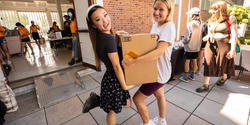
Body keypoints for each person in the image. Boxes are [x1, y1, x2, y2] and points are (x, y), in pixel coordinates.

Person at [123, 0, 176, 125]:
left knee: (137, 99)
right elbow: (148, 45)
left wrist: (134, 61)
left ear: (169, 11)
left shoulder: (169, 27)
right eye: (155, 8)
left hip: (159, 74)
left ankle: (147, 123)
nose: (156, 12)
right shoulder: (156, 25)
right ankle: (162, 121)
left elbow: (158, 52)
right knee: (160, 96)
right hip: (153, 71)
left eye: (161, 9)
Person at [82, 4, 132, 125]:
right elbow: (116, 66)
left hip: (110, 78)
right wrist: (125, 85)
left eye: (105, 15)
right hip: (114, 80)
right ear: (94, 25)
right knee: (113, 111)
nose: (105, 21)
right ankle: (98, 101)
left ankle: (98, 101)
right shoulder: (108, 39)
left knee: (126, 103)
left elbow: (109, 41)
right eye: (98, 19)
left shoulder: (101, 37)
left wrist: (116, 34)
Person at [196, 1, 237, 93]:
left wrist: (233, 49)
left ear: (222, 9)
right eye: (212, 9)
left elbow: (234, 35)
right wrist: (206, 37)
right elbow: (210, 33)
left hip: (224, 45)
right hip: (211, 45)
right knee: (208, 62)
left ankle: (224, 77)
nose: (213, 12)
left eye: (215, 9)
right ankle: (206, 85)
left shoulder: (231, 18)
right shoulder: (211, 20)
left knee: (224, 63)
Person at [179, 7, 207, 82]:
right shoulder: (202, 23)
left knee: (187, 61)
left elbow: (187, 38)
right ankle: (192, 76)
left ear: (193, 15)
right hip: (197, 47)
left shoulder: (190, 24)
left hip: (189, 47)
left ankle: (185, 77)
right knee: (194, 60)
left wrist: (182, 42)